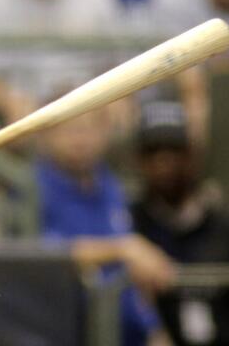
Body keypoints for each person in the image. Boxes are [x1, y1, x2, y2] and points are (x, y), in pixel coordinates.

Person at [32, 104, 175, 346]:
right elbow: (43, 254)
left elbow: (127, 277)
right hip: (64, 330)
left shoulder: (111, 186)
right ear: (47, 134)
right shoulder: (32, 189)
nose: (81, 139)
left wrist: (153, 330)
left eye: (90, 128)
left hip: (125, 332)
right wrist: (122, 248)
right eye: (70, 129)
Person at [131, 100, 229, 346]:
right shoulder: (131, 223)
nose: (164, 164)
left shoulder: (219, 222)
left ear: (191, 156)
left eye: (174, 152)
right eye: (153, 153)